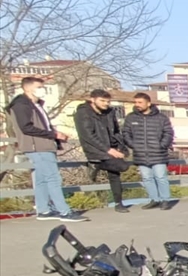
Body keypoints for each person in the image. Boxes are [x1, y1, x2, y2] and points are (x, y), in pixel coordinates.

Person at [7, 77, 87, 221]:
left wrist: (53, 135)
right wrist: (53, 134)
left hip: (43, 145)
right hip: (37, 146)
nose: (42, 89)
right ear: (28, 88)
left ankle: (43, 210)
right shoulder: (21, 105)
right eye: (39, 86)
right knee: (53, 178)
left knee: (41, 179)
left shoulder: (36, 105)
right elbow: (26, 127)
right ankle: (64, 212)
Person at [75, 89, 131, 213]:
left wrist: (120, 146)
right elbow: (87, 135)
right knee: (122, 166)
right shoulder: (83, 113)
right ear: (92, 99)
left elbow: (115, 131)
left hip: (111, 146)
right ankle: (96, 163)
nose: (106, 104)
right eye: (102, 101)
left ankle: (118, 203)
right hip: (95, 148)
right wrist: (108, 150)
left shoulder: (110, 112)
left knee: (115, 173)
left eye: (108, 101)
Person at [123, 92, 175, 209]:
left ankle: (165, 200)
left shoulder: (161, 118)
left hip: (158, 153)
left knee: (160, 177)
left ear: (148, 103)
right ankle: (154, 199)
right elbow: (126, 133)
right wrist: (133, 145)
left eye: (140, 102)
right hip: (141, 154)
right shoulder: (131, 117)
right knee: (147, 178)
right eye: (135, 102)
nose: (137, 105)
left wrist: (162, 145)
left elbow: (168, 133)